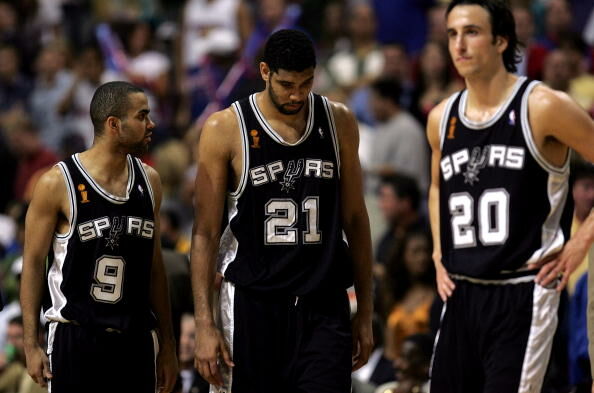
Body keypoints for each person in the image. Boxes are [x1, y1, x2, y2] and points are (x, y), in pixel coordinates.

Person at [190, 29, 374, 392]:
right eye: (287, 84)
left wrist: (366, 312)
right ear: (264, 72)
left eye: (306, 83)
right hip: (253, 305)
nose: (297, 95)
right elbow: (205, 233)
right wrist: (204, 323)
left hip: (323, 304)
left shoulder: (338, 122)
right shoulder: (225, 128)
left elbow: (355, 219)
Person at [426, 1, 594, 392]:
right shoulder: (441, 118)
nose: (459, 45)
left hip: (524, 292)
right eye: (452, 34)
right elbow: (437, 187)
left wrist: (580, 240)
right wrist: (437, 252)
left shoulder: (544, 106)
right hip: (462, 292)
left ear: (501, 41)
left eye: (471, 32)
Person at [20, 81, 178, 393]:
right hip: (76, 337)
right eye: (142, 116)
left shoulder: (150, 181)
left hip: (136, 338)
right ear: (114, 125)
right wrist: (30, 343)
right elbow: (34, 263)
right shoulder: (56, 183)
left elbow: (155, 269)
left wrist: (168, 344)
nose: (152, 124)